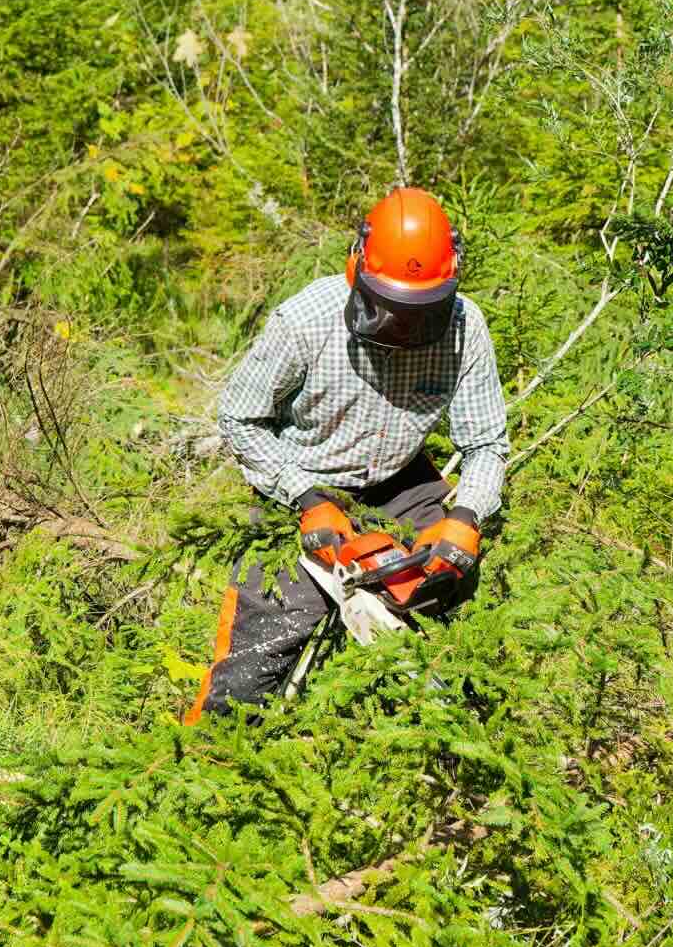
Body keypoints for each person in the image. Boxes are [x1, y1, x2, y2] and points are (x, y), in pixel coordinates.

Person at [185, 187, 509, 723]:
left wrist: (467, 517)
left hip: (400, 478)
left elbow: (485, 444)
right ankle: (210, 752)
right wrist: (306, 497)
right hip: (304, 476)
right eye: (391, 309)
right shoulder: (306, 322)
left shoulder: (463, 328)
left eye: (420, 312)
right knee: (270, 633)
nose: (404, 328)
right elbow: (240, 418)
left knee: (452, 581)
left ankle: (418, 726)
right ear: (357, 269)